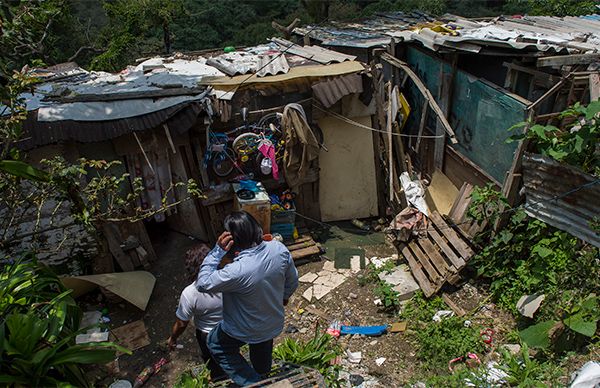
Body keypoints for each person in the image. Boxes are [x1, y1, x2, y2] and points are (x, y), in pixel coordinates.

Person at [196, 211, 298, 386]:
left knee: (215, 342)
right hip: (272, 322)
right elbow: (293, 280)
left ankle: (252, 382)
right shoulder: (278, 249)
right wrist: (284, 297)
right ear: (256, 229)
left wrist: (217, 252)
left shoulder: (236, 271)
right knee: (261, 345)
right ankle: (262, 374)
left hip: (245, 329)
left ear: (231, 241)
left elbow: (202, 283)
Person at [167, 244, 226, 380]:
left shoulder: (190, 293)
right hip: (230, 326)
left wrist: (173, 338)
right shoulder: (227, 278)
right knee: (229, 351)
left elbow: (182, 323)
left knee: (211, 357)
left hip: (207, 333)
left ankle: (219, 378)